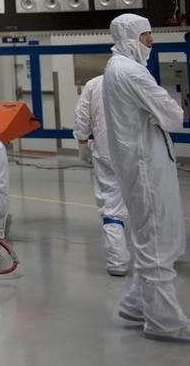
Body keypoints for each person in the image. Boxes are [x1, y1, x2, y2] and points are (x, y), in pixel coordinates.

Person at [102, 13, 190, 343]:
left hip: (142, 163)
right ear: (130, 38)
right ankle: (164, 320)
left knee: (155, 234)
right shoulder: (131, 72)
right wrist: (162, 112)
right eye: (146, 35)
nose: (151, 41)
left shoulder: (115, 68)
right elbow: (175, 115)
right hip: (145, 166)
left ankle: (137, 303)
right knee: (158, 241)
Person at [74, 73, 131, 276]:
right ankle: (157, 259)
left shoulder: (94, 83)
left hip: (107, 151)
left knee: (112, 207)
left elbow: (82, 117)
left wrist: (82, 144)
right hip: (139, 151)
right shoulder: (138, 77)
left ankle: (118, 263)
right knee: (149, 206)